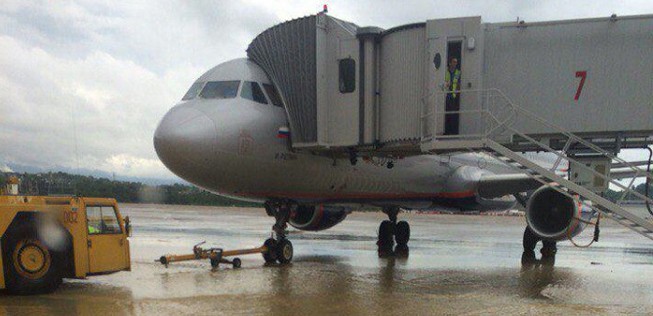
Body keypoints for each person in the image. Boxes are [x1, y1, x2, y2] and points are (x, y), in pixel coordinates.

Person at [444, 57, 461, 135]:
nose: (455, 64)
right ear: (450, 63)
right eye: (453, 62)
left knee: (453, 114)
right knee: (447, 114)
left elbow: (459, 83)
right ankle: (447, 131)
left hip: (454, 96)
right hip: (447, 95)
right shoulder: (445, 72)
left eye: (456, 62)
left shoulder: (458, 72)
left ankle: (453, 131)